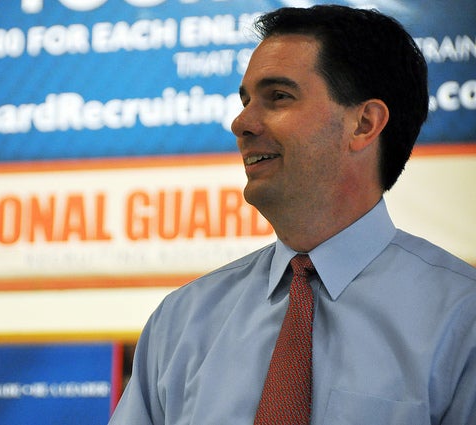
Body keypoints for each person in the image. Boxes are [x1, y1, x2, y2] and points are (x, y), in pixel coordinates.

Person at [108, 5, 476, 425]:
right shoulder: (180, 323)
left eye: (278, 97)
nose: (241, 122)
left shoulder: (461, 320)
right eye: (245, 100)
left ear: (364, 123)